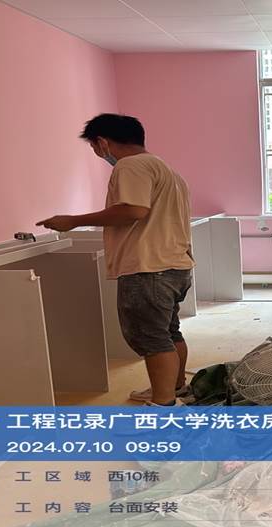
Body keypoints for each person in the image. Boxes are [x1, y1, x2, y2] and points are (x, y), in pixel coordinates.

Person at [37, 113, 194, 406]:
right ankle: (176, 389)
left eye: (94, 147)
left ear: (102, 142)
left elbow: (133, 210)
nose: (97, 153)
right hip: (174, 265)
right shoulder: (169, 172)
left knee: (151, 338)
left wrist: (73, 220)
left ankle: (164, 405)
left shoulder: (131, 165)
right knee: (168, 332)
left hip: (148, 268)